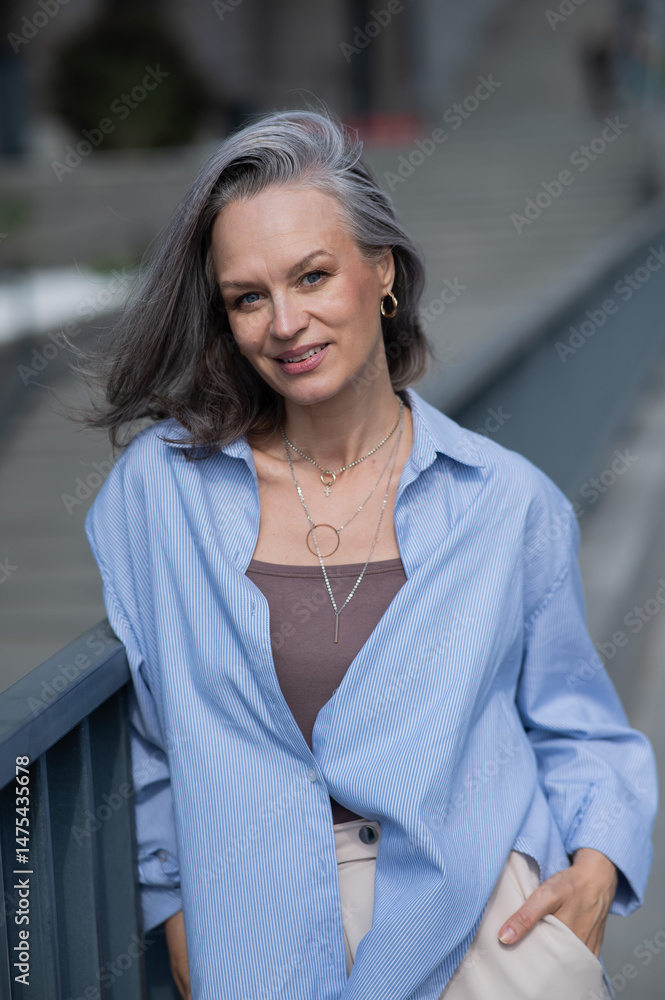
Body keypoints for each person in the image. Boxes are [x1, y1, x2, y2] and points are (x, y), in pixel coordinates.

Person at [81, 108, 657, 1000]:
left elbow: (578, 723)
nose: (284, 322)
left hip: (482, 935)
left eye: (312, 276)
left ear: (381, 273)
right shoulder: (165, 497)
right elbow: (155, 744)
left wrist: (594, 873)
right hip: (260, 947)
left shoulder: (505, 505)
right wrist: (182, 925)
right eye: (247, 297)